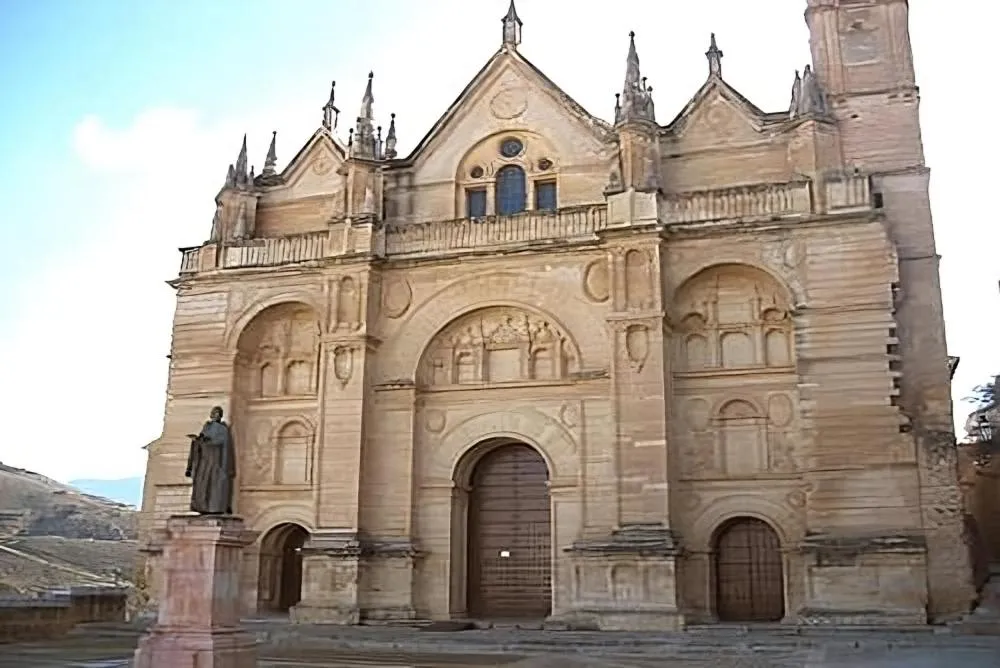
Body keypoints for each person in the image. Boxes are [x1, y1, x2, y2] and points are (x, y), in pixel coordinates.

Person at [185, 406, 236, 515]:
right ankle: (203, 507)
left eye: (218, 413)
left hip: (217, 461)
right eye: (214, 413)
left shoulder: (223, 429)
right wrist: (198, 440)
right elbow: (202, 441)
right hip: (205, 460)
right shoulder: (206, 427)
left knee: (216, 485)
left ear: (220, 416)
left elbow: (222, 444)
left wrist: (207, 441)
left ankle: (215, 508)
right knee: (203, 484)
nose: (215, 415)